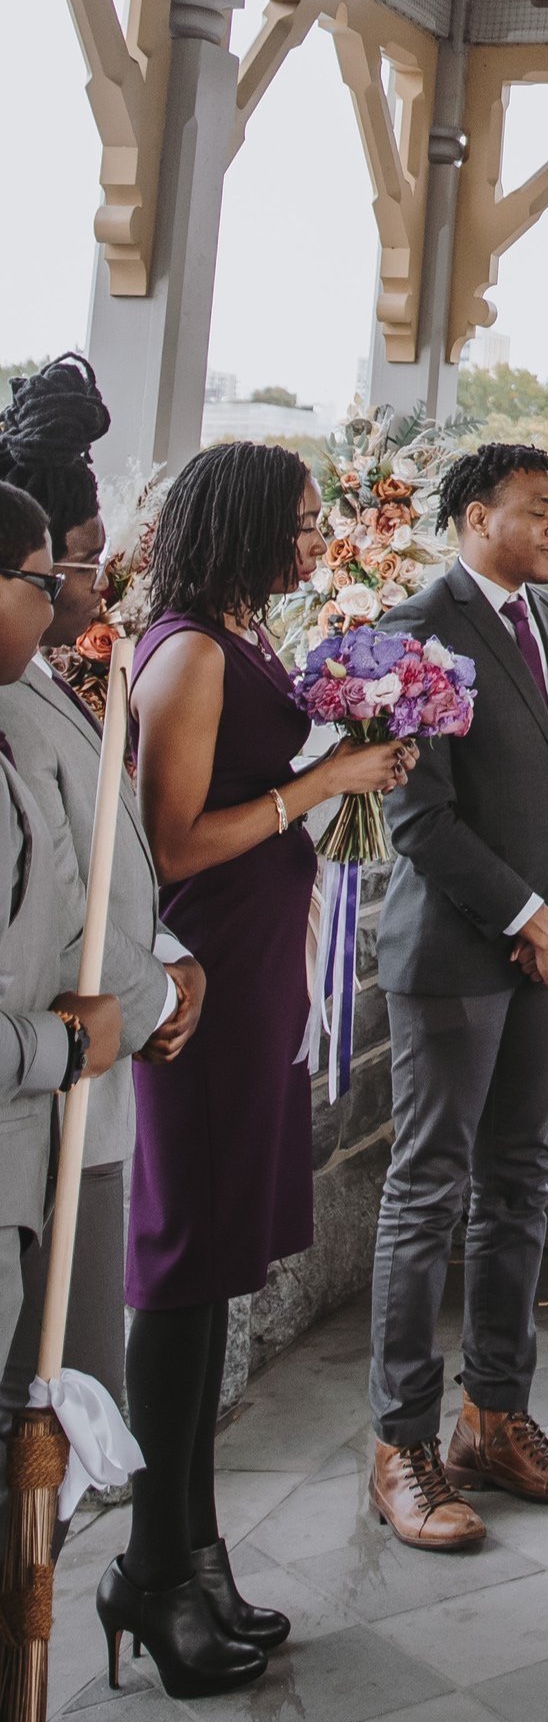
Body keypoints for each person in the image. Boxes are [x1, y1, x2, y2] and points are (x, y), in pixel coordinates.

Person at [111, 442, 412, 1700]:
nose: (310, 545)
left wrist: (345, 770)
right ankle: (150, 1566)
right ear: (234, 521)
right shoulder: (184, 650)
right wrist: (327, 781)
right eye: (294, 524)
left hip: (252, 991)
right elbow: (173, 843)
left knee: (219, 1272)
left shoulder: (241, 637)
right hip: (200, 994)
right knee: (182, 1276)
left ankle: (192, 1551)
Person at [366, 442, 548, 1550]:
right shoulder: (412, 632)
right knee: (428, 1190)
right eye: (536, 511)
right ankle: (402, 1446)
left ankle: (494, 1417)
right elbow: (419, 819)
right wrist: (530, 926)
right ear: (477, 520)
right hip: (455, 961)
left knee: (520, 1179)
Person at [0, 355, 202, 1416]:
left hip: (89, 1067)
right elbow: (65, 893)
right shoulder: (16, 713)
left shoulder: (43, 681)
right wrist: (163, 992)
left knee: (67, 1421)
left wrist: (162, 962)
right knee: (47, 1419)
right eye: (69, 565)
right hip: (48, 1092)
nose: (88, 585)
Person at [0, 482, 135, 1722]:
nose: (68, 597)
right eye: (47, 576)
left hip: (40, 1147)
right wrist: (59, 1042)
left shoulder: (42, 695)